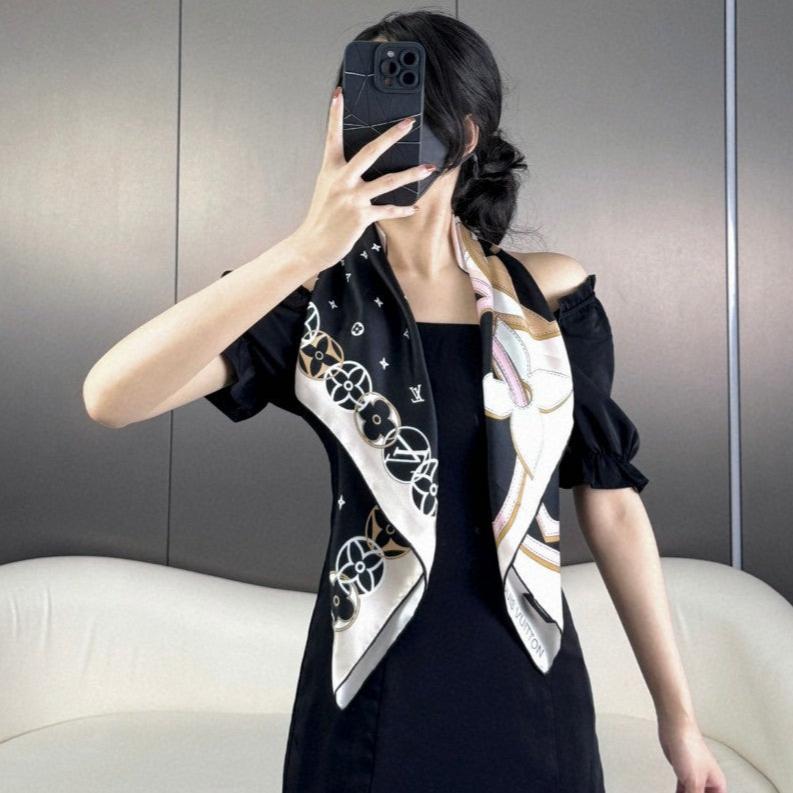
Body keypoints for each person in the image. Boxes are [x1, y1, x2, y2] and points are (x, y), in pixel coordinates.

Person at [83, 10, 727, 793]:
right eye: (360, 107)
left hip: (530, 689)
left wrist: (678, 721)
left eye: (401, 110)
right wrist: (304, 249)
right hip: (367, 690)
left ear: (464, 134)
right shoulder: (317, 302)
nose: (376, 132)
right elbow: (109, 397)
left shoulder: (550, 297)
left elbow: (614, 508)